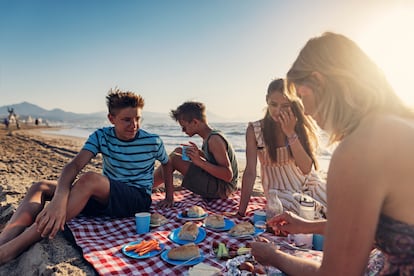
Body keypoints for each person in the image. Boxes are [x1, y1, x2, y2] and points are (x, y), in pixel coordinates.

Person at [251, 32, 414, 275]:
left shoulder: (361, 149)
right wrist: (307, 226)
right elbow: (372, 228)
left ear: (320, 82)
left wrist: (275, 257)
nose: (305, 111)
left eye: (303, 96)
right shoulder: (399, 125)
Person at [0, 88, 171, 264]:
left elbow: (167, 164)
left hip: (136, 200)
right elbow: (73, 165)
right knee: (40, 186)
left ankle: (12, 249)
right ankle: (5, 239)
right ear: (111, 119)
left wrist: (170, 196)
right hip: (107, 197)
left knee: (90, 179)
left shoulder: (152, 141)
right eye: (127, 119)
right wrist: (59, 199)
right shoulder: (101, 136)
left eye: (137, 118)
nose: (134, 125)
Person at [236, 78, 327, 220]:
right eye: (274, 104)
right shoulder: (255, 130)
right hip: (279, 191)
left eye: (285, 106)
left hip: (307, 183)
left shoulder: (297, 126)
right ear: (267, 100)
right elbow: (250, 173)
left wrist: (290, 133)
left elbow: (306, 169)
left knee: (336, 200)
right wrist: (241, 212)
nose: (278, 111)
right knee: (310, 212)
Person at [154, 101, 239, 207]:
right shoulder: (209, 137)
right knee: (179, 150)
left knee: (174, 159)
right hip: (218, 183)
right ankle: (148, 186)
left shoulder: (214, 139)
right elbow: (214, 160)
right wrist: (200, 154)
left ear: (195, 122)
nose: (182, 131)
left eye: (184, 127)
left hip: (223, 189)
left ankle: (168, 198)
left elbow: (227, 175)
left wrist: (200, 162)